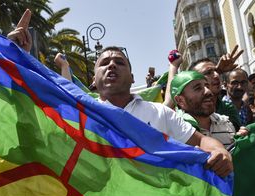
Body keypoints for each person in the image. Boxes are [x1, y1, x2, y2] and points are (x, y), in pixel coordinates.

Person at [92, 46, 233, 177]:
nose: (112, 65)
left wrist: (219, 151)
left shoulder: (160, 113)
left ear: (132, 77)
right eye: (104, 63)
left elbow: (200, 140)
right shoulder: (81, 115)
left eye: (120, 62)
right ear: (93, 80)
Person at [170, 71, 235, 147]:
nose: (208, 91)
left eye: (207, 86)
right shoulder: (175, 132)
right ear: (180, 100)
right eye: (198, 88)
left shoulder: (225, 123)